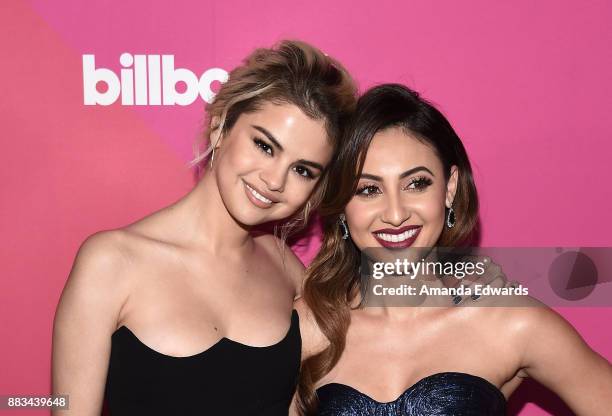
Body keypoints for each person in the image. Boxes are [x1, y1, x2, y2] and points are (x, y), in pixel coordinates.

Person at [52, 40, 357, 415]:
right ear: (220, 127)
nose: (275, 180)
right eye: (264, 146)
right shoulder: (111, 262)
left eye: (302, 170)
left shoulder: (288, 270)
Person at [295, 84, 612, 415]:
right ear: (342, 206)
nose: (395, 214)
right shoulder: (307, 329)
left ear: (449, 189)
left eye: (416, 184)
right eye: (368, 189)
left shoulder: (510, 324)